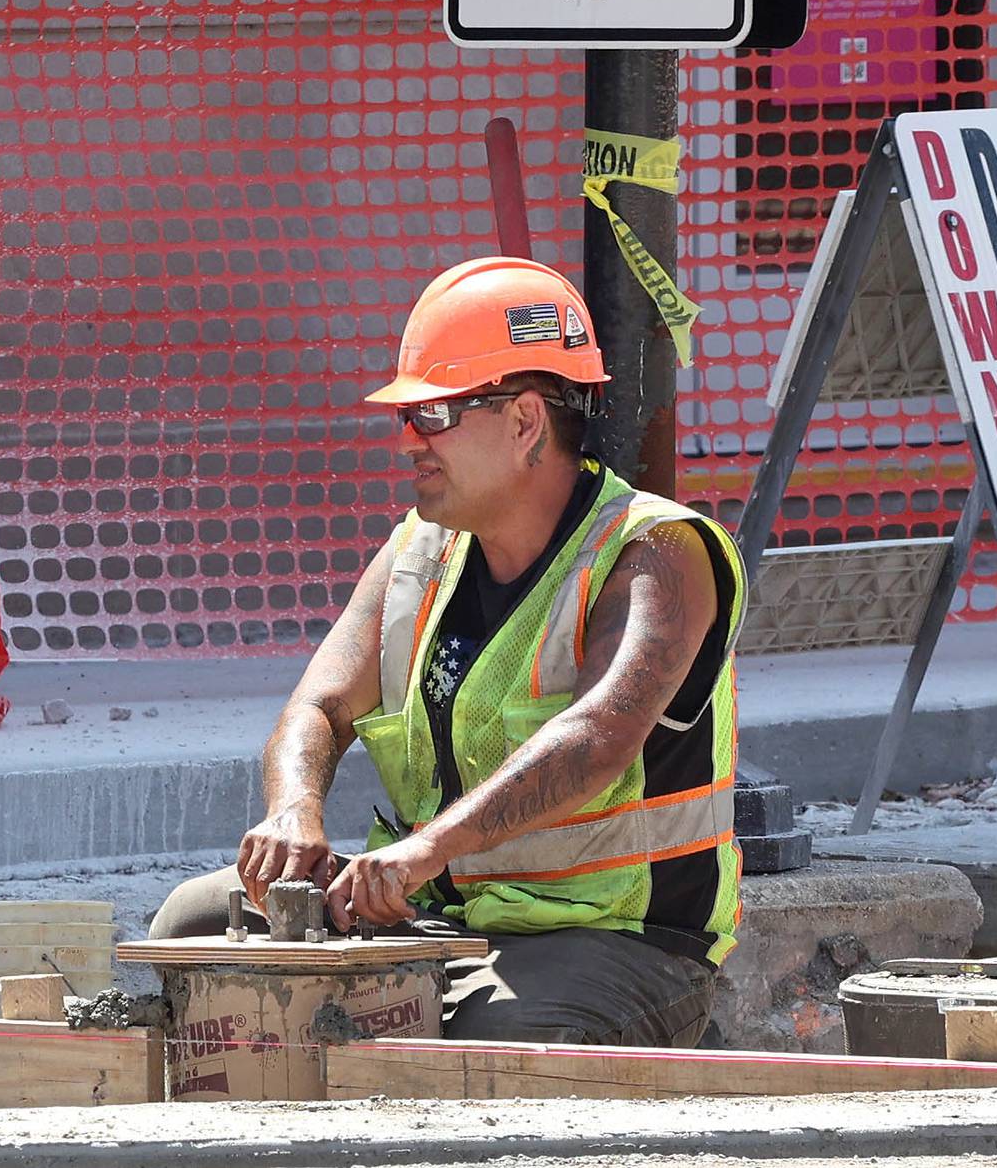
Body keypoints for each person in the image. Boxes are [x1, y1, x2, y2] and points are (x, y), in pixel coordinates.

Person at [150, 256, 748, 1047]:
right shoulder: (419, 549)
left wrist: (422, 851)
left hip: (617, 939)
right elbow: (321, 705)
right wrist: (295, 807)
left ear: (526, 420)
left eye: (432, 413)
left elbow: (599, 732)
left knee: (497, 1049)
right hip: (438, 915)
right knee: (191, 927)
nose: (408, 441)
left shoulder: (658, 553)